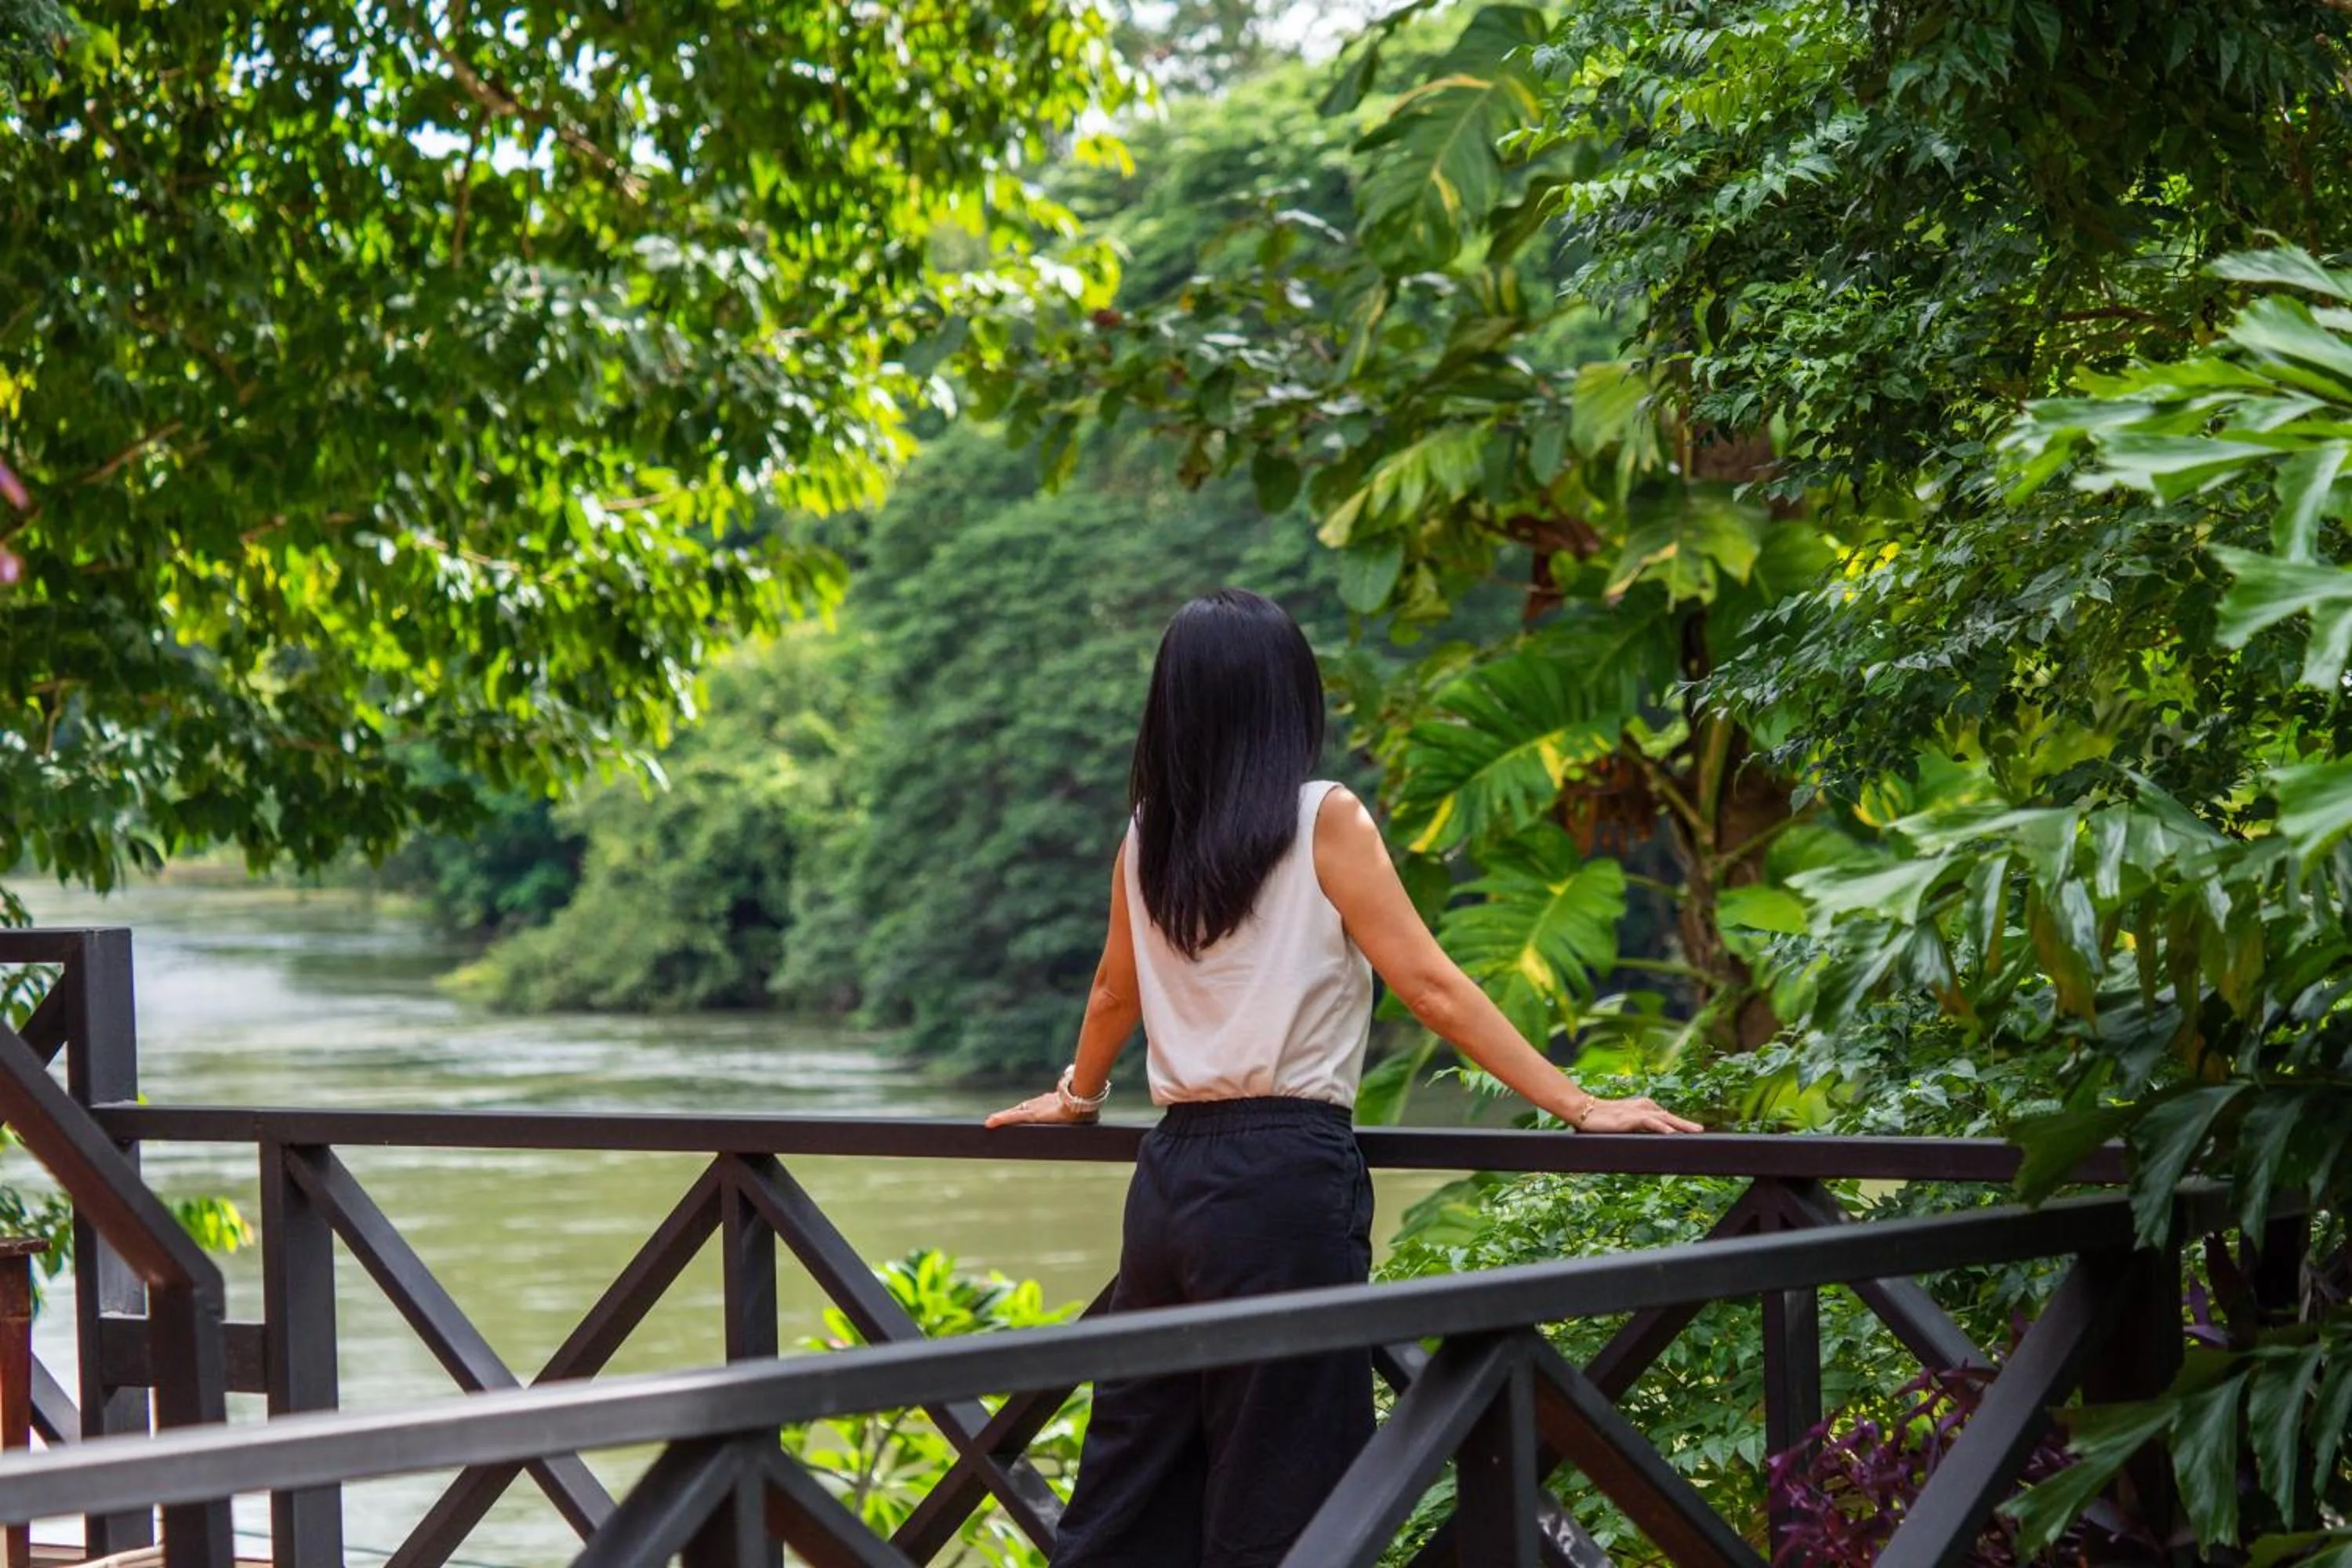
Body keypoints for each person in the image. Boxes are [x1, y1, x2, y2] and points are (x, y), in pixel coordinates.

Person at [985, 587, 1702, 1568]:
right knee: (1283, 1481)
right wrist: (1579, 1103)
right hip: (1283, 1175)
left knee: (1134, 1472)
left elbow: (1116, 988)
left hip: (1169, 1181)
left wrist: (1077, 1095)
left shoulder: (1148, 833)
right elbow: (1431, 986)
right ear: (1288, 699)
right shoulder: (1325, 816)